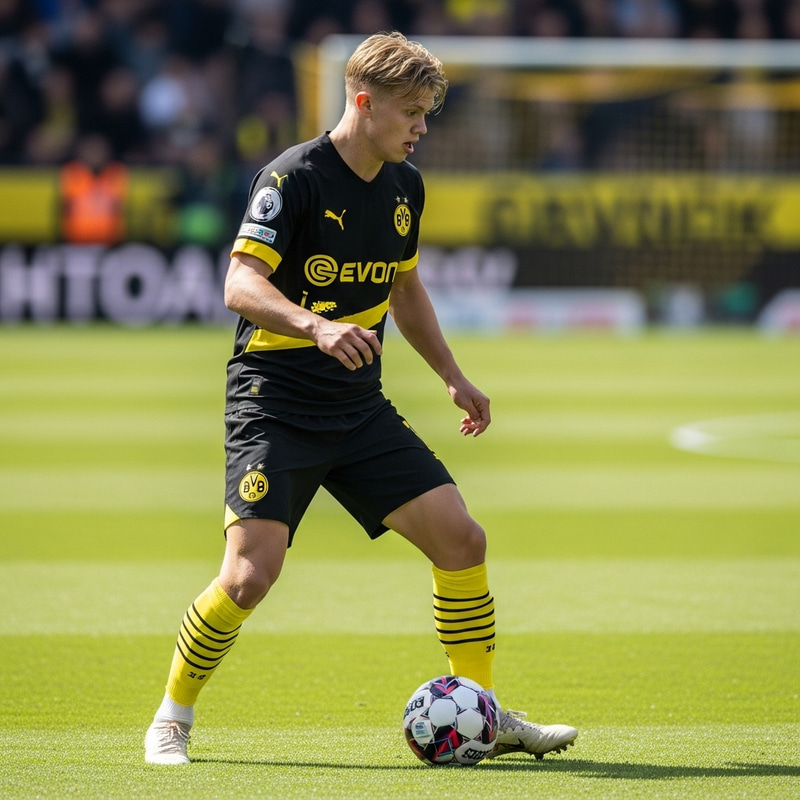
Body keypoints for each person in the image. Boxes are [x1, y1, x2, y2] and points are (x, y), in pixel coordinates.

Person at [144, 31, 578, 766]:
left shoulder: (405, 186)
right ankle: (172, 718)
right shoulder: (293, 179)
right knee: (249, 577)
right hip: (274, 398)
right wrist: (314, 325)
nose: (422, 127)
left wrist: (451, 373)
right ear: (363, 102)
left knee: (461, 540)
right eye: (411, 111)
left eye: (428, 113)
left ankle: (484, 712)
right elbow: (238, 285)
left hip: (358, 404)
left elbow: (403, 286)